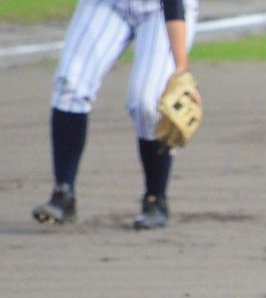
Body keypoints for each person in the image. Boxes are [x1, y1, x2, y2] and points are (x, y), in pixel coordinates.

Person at [31, 0, 199, 231]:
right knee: (70, 83)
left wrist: (181, 68)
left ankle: (155, 200)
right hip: (106, 4)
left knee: (147, 101)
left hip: (161, 10)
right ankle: (63, 193)